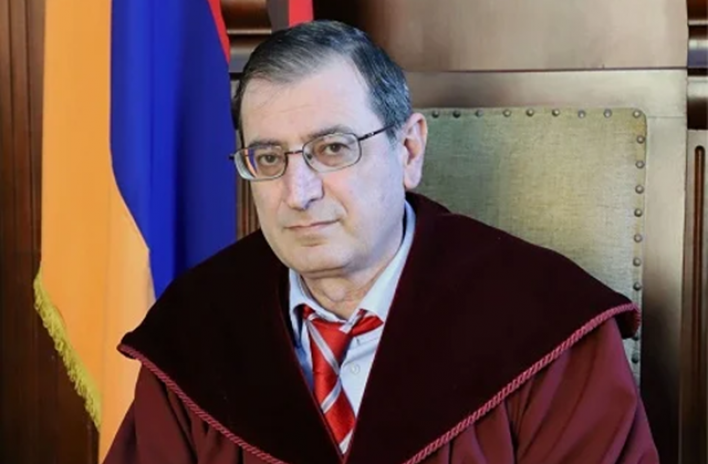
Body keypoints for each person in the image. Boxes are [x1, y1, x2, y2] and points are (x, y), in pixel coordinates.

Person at [104, 19, 659, 464]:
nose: (298, 193)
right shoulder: (195, 331)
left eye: (333, 148)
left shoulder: (549, 330)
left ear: (409, 150)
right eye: (269, 158)